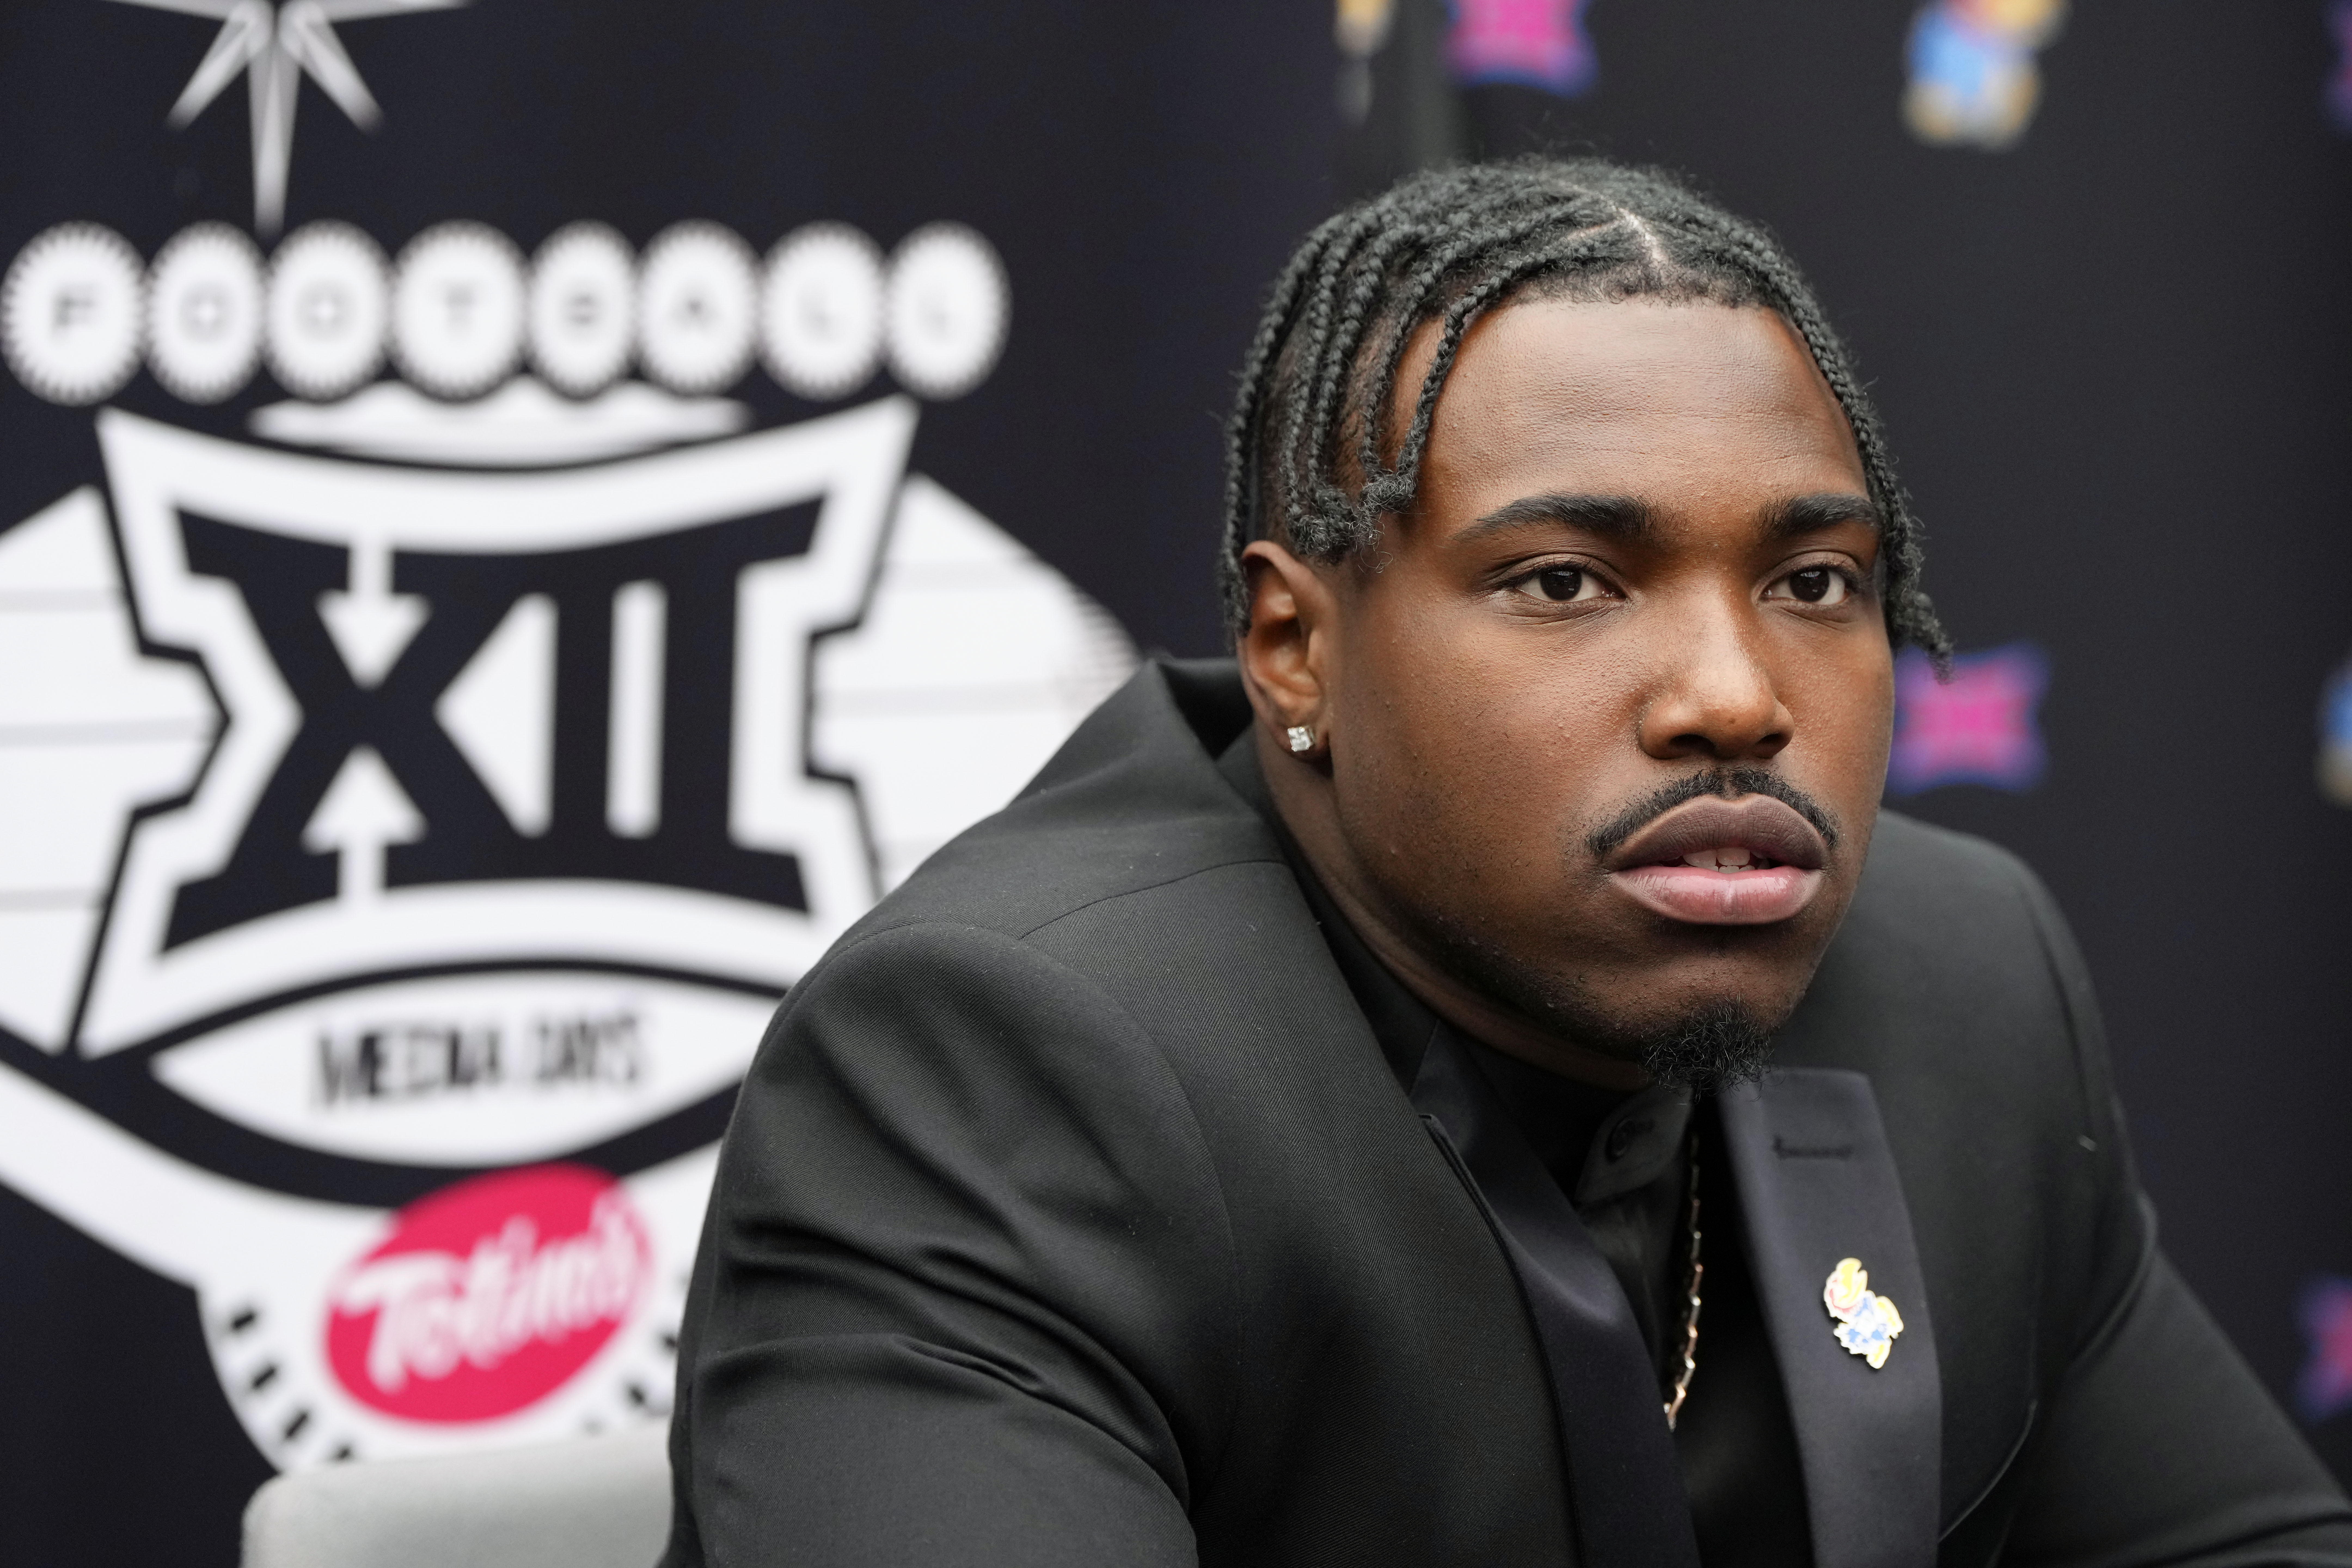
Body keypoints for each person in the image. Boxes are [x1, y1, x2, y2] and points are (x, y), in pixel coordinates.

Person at [659, 158, 2352, 1567]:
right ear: (1292, 646)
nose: (1735, 697)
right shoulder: (1006, 1077)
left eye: (1817, 582)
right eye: (1567, 583)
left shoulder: (1964, 974)